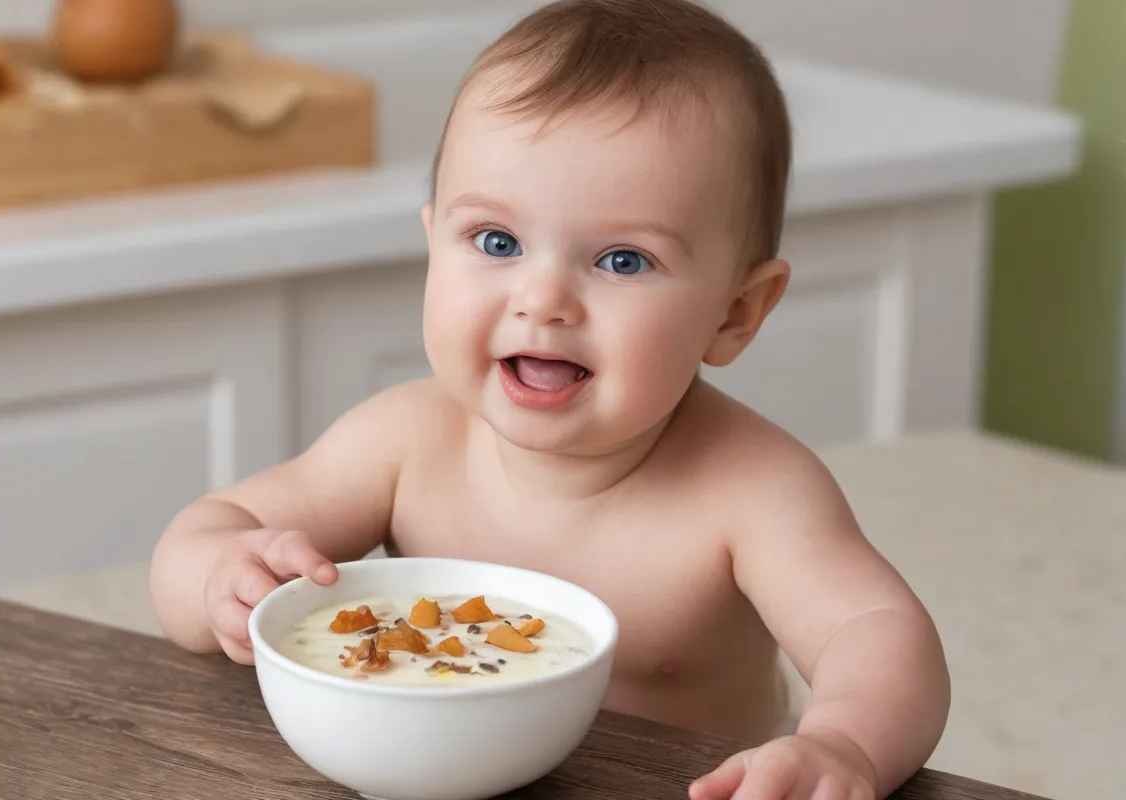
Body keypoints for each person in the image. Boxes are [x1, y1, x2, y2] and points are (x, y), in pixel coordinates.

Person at [149, 1, 950, 797]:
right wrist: (223, 574)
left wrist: (844, 744)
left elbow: (876, 633)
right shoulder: (404, 440)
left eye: (623, 261)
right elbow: (209, 533)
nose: (543, 300)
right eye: (497, 243)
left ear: (736, 313)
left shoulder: (753, 489)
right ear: (433, 246)